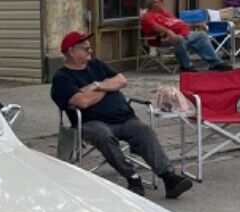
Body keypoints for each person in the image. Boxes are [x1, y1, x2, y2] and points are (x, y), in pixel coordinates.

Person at [50, 32, 193, 199]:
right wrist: (108, 87)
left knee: (143, 130)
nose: (90, 50)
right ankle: (132, 178)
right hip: (91, 122)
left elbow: (122, 80)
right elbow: (82, 102)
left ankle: (169, 178)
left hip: (124, 118)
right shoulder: (62, 78)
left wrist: (97, 86)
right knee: (102, 134)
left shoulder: (97, 65)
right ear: (71, 51)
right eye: (85, 48)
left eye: (90, 47)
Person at [140, 0, 231, 69]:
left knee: (201, 35)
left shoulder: (164, 13)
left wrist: (193, 25)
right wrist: (168, 32)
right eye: (161, 0)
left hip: (184, 34)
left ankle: (216, 63)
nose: (163, 2)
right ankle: (186, 66)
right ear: (153, 4)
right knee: (179, 39)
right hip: (162, 38)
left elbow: (178, 23)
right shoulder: (147, 16)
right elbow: (155, 27)